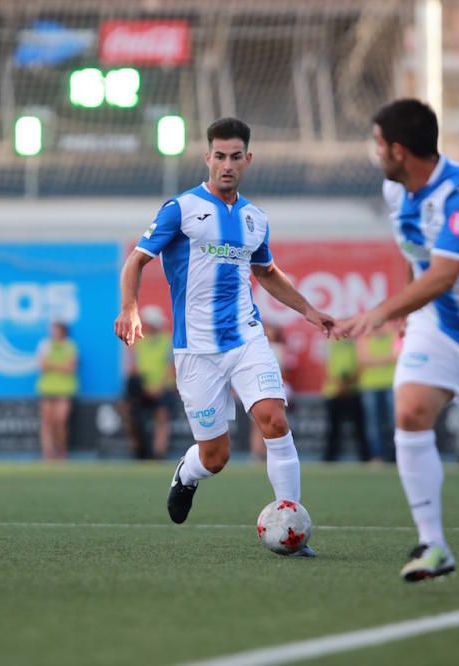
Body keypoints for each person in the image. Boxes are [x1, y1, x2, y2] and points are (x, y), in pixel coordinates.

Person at [335, 99, 459, 581]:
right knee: (409, 411)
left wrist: (383, 311)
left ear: (400, 151)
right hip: (437, 325)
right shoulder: (394, 190)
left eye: (379, 143)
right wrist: (408, 311)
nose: (375, 151)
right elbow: (418, 255)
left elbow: (445, 272)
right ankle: (434, 544)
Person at [114, 117, 334, 556]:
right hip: (195, 351)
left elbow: (266, 272)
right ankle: (188, 474)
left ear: (247, 160)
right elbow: (136, 262)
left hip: (246, 339)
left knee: (274, 418)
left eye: (236, 157)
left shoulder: (255, 219)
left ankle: (292, 526)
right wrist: (130, 307)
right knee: (215, 456)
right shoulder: (180, 209)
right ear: (207, 157)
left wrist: (308, 310)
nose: (227, 165)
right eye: (219, 156)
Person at [122, 305, 174, 460]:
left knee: (161, 417)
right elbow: (133, 367)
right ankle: (139, 451)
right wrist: (144, 387)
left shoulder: (167, 340)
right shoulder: (138, 342)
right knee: (131, 415)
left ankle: (159, 454)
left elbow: (170, 367)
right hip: (142, 389)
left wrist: (158, 387)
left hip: (163, 388)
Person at [249, 321, 296, 461]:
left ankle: (272, 454)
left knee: (275, 422)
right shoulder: (255, 349)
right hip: (258, 388)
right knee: (257, 424)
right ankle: (258, 452)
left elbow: (287, 371)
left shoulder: (281, 349)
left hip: (278, 388)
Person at [356, 320, 400, 462]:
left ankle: (398, 455)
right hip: (370, 386)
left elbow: (397, 356)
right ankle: (377, 455)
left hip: (391, 384)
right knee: (373, 424)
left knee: (395, 422)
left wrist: (374, 360)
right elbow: (362, 360)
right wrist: (386, 359)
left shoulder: (394, 335)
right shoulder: (365, 338)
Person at [321, 337, 369, 462]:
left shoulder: (355, 345)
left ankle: (365, 457)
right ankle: (330, 457)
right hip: (334, 392)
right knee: (333, 428)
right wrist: (340, 384)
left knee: (359, 427)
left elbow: (360, 365)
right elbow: (326, 368)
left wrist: (347, 384)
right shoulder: (330, 347)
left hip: (352, 390)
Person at [36, 321, 78, 461]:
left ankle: (61, 452)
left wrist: (51, 365)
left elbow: (70, 368)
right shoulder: (45, 345)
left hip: (64, 389)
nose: (53, 332)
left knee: (60, 421)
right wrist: (60, 365)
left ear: (63, 331)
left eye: (56, 329)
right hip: (47, 388)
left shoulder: (70, 346)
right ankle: (48, 454)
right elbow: (42, 365)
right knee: (47, 422)